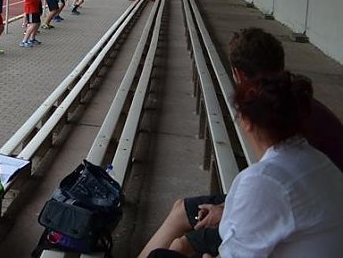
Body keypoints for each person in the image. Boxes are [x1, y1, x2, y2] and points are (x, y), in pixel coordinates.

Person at [139, 28, 343, 258]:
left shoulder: (264, 179)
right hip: (307, 217)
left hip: (289, 212)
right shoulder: (311, 154)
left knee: (170, 251)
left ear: (247, 121)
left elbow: (268, 196)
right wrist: (228, 211)